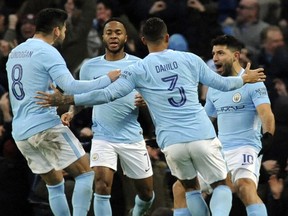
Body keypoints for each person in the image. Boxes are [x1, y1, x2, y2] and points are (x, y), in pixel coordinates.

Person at [36, 17, 266, 216]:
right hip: (201, 134)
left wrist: (67, 100)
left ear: (143, 41)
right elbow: (222, 84)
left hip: (172, 143)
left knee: (190, 189)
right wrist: (245, 79)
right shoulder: (190, 59)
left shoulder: (139, 69)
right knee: (222, 184)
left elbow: (106, 94)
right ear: (167, 37)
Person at [6, 8, 120, 216]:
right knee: (86, 174)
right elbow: (72, 86)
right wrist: (107, 79)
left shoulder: (16, 52)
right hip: (44, 126)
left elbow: (24, 87)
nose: (65, 32)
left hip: (21, 133)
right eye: (65, 28)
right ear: (57, 31)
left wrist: (49, 89)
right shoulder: (47, 51)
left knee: (55, 183)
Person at [61, 17, 155, 216]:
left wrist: (147, 100)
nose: (113, 36)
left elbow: (153, 95)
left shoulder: (139, 65)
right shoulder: (88, 67)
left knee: (147, 193)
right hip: (103, 136)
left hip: (131, 137)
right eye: (109, 33)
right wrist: (71, 112)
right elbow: (82, 96)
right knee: (102, 185)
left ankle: (137, 211)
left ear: (125, 37)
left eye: (118, 32)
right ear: (103, 37)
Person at [204, 35, 275, 216]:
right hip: (219, 149)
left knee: (244, 187)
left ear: (236, 56)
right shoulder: (215, 86)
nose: (215, 58)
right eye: (213, 54)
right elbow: (205, 120)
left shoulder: (252, 80)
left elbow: (266, 113)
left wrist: (268, 136)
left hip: (246, 146)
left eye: (221, 53)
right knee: (183, 187)